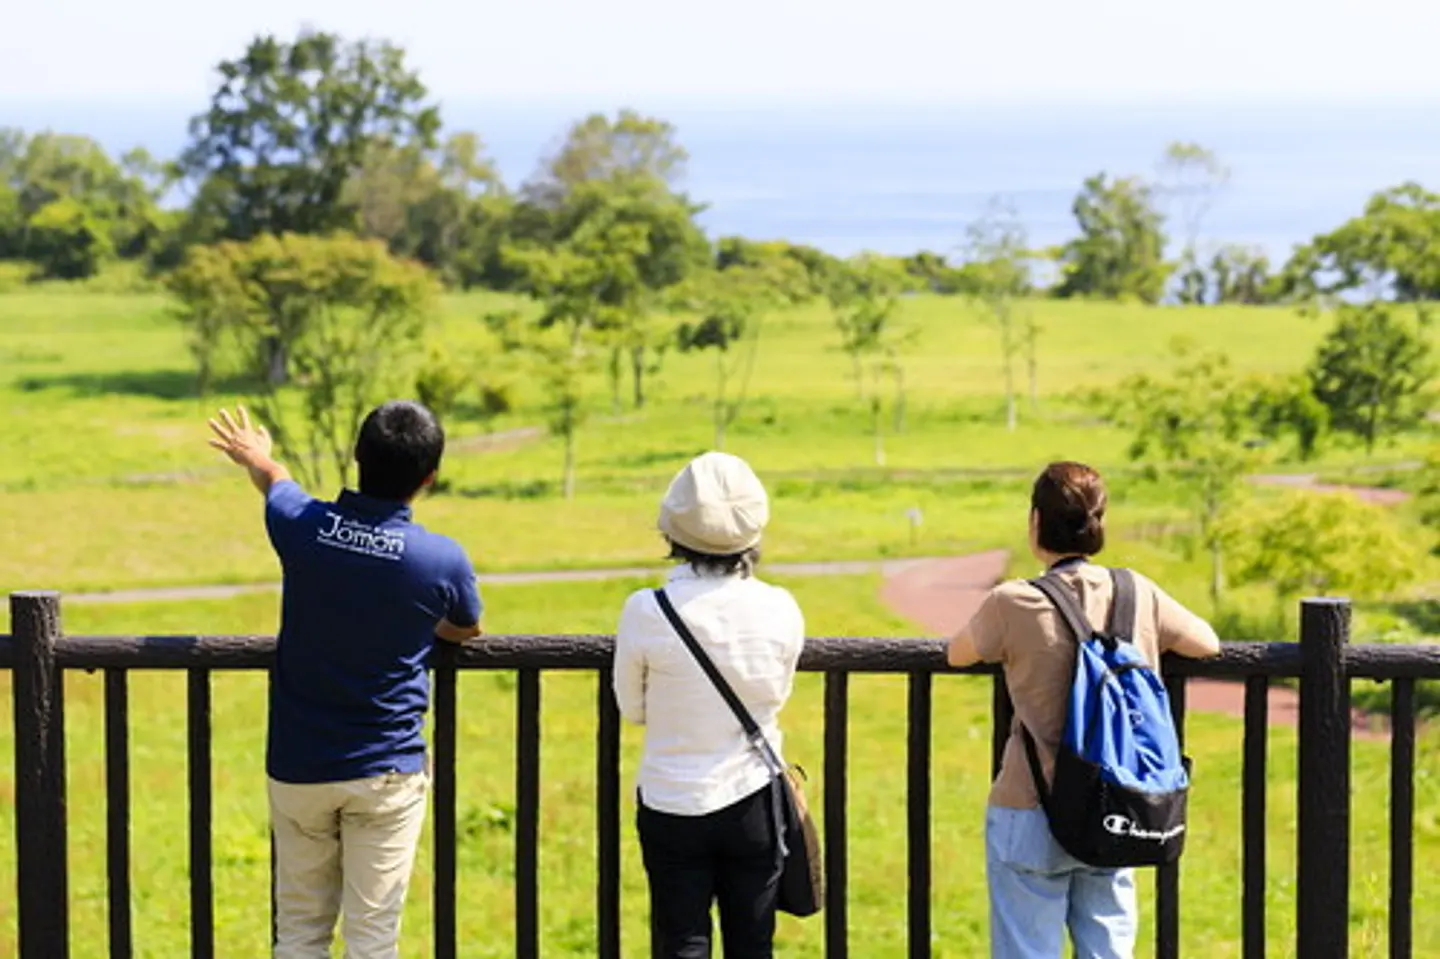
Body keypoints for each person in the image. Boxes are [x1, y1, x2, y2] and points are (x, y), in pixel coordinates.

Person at [206, 402, 482, 959]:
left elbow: (277, 483)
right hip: (386, 772)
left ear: (357, 458)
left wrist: (255, 456)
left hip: (299, 765)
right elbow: (467, 625)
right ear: (430, 477)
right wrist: (429, 636)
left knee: (301, 932)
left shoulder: (304, 526)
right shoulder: (440, 559)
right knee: (373, 938)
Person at [947, 461, 1220, 959]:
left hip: (1030, 806)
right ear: (1099, 523)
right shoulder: (1136, 592)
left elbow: (956, 652)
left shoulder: (1013, 601)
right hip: (1115, 802)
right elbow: (1206, 642)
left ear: (1035, 523)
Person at [613, 452, 806, 959]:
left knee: (681, 943)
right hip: (753, 798)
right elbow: (775, 695)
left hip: (671, 799)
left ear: (674, 531)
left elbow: (631, 708)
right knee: (753, 944)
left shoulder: (645, 610)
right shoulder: (781, 607)